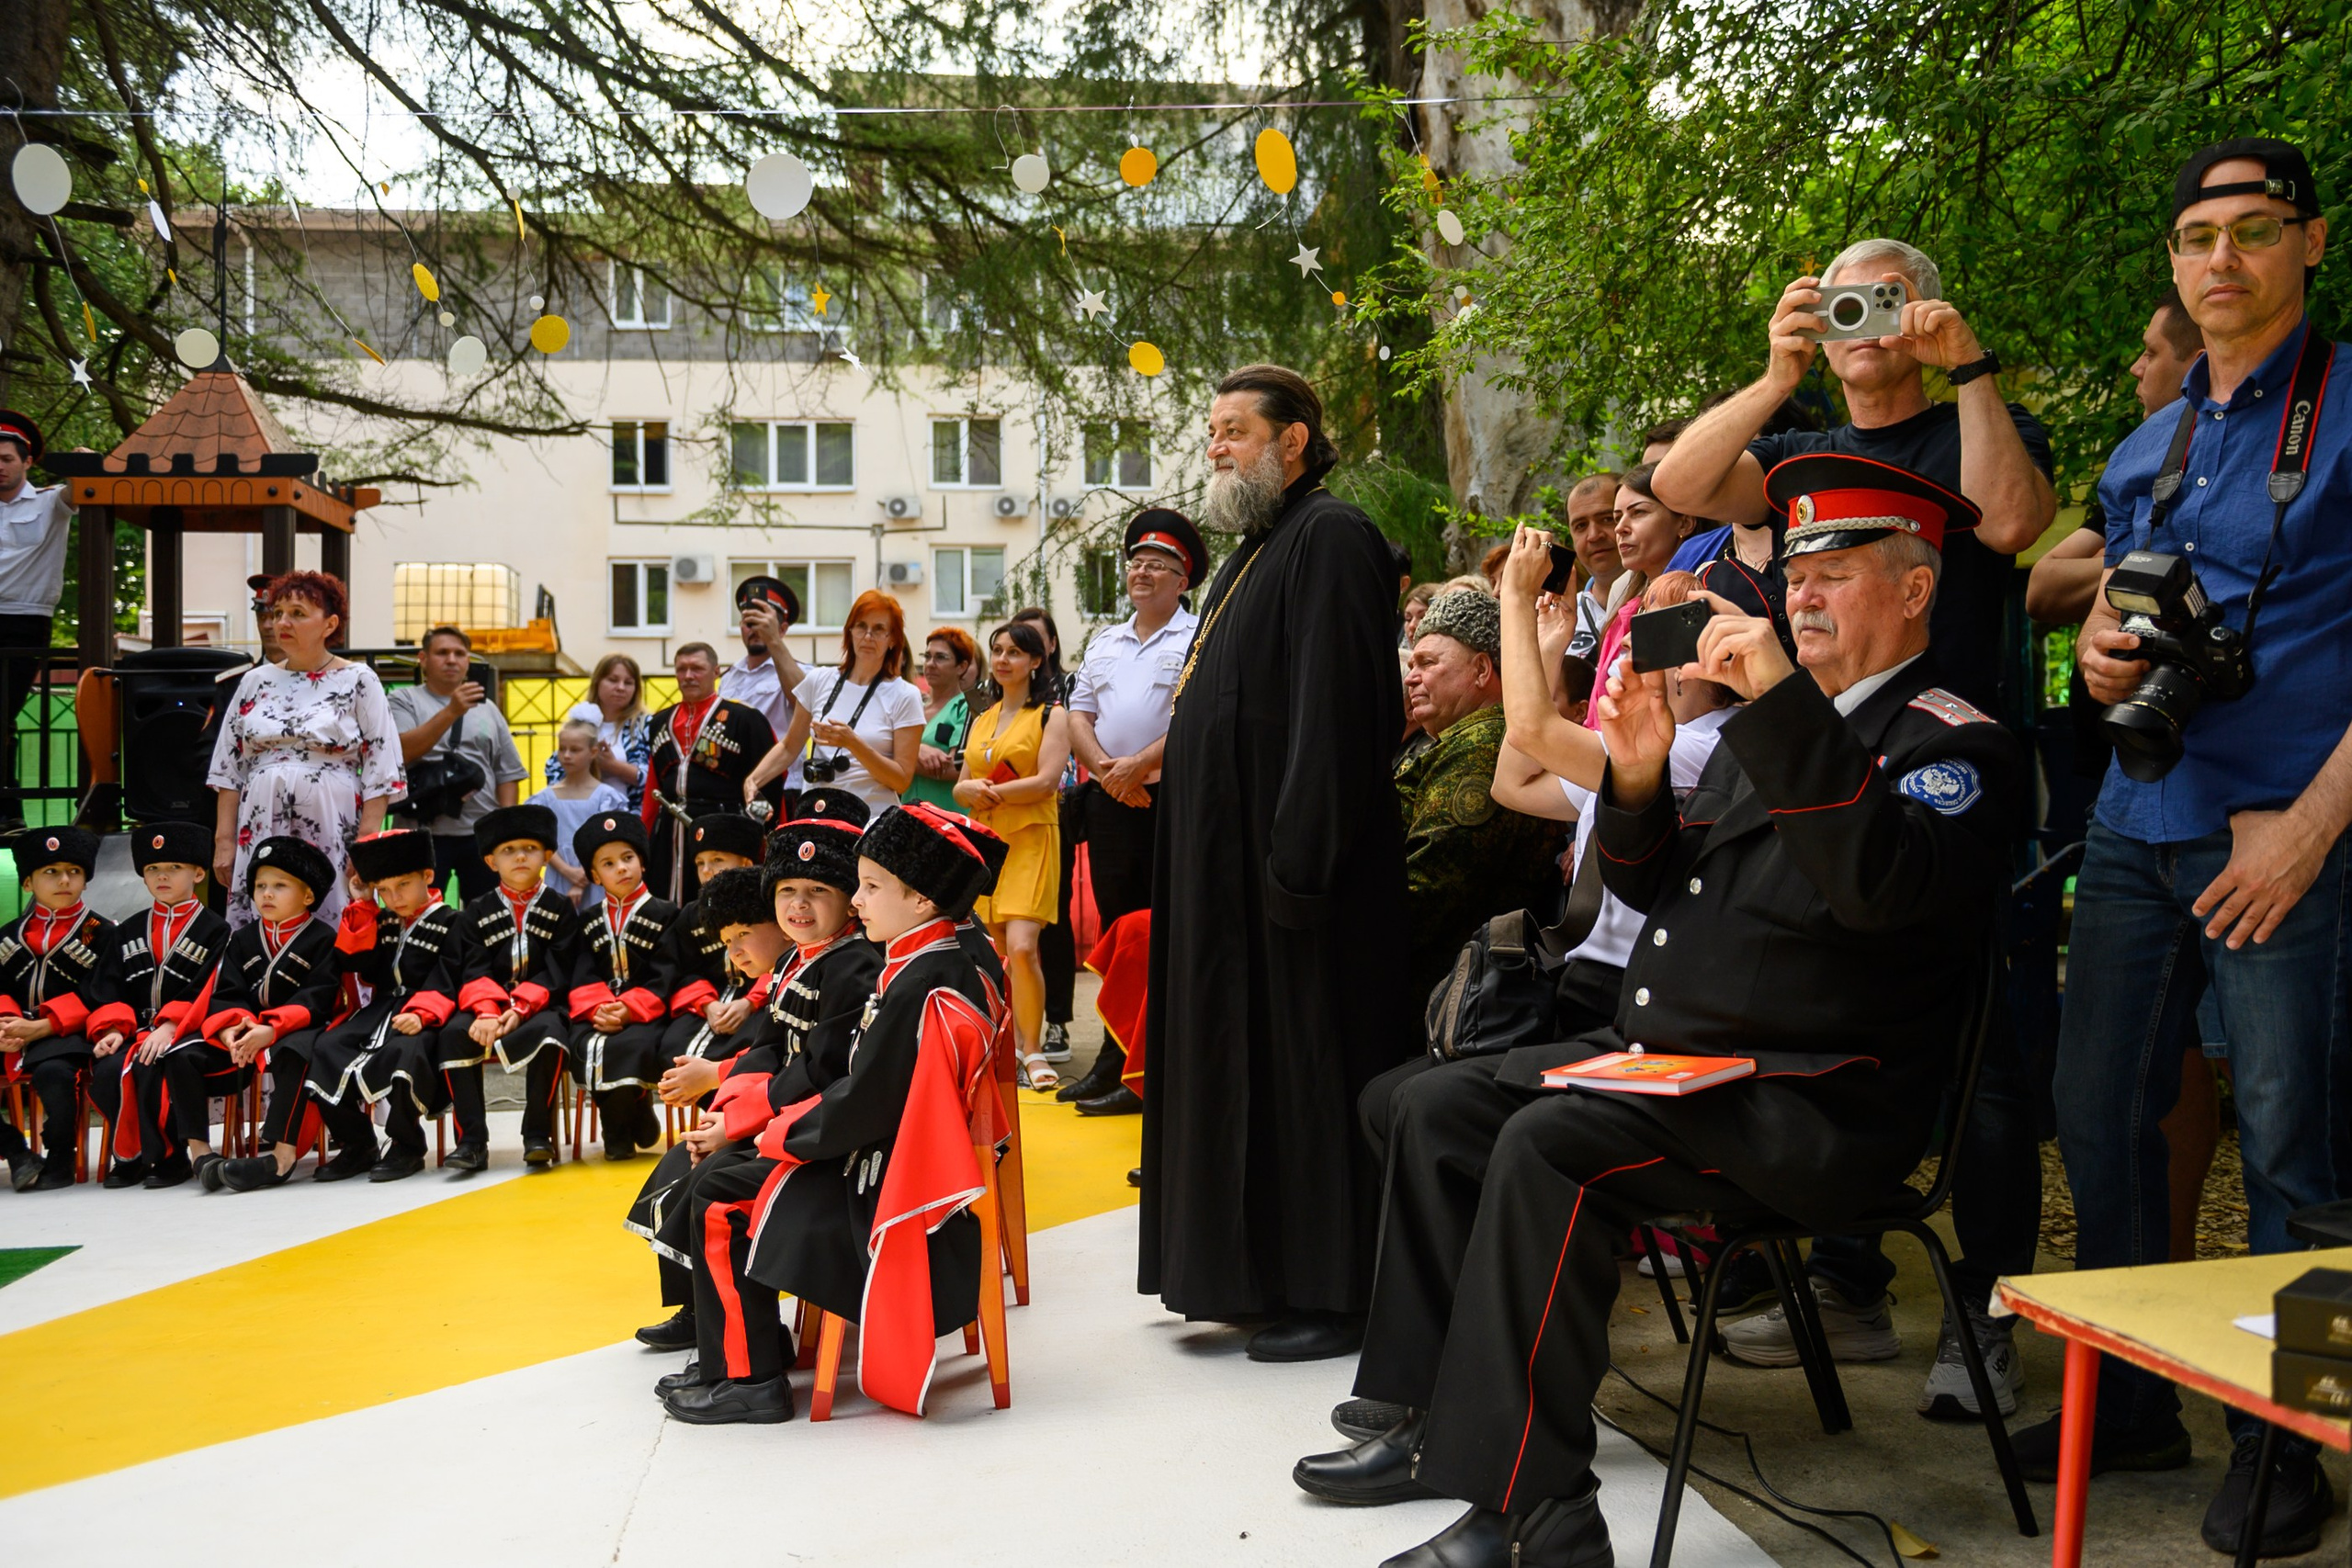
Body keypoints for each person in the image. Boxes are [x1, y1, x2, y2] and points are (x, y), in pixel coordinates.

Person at [1294, 454, 2024, 1568]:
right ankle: (1430, 1417)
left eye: (1835, 574)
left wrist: (1776, 703)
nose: (1803, 596)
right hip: (1681, 1066)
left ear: (1915, 591)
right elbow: (1654, 891)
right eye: (1800, 573)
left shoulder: (1953, 742)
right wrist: (1633, 786)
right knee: (1429, 1107)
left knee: (1549, 1147)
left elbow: (1878, 891)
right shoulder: (1762, 731)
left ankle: (1532, 1516)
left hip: (1811, 1100)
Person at [2041, 138, 2350, 1559]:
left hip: (2287, 832)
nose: (2221, 259)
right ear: (2173, 262)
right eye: (2197, 238)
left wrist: (2310, 827)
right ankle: (2141, 1393)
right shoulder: (2147, 441)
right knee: (2096, 1108)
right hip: (2136, 815)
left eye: (2252, 230)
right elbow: (2113, 608)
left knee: (2300, 1143)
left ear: (2310, 242)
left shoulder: (2348, 410)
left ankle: (2298, 1439)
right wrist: (2100, 658)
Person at [1142, 363, 1412, 1362]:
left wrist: (1298, 866)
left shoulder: (1331, 537)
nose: (1215, 445)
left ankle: (1333, 1293)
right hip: (1232, 883)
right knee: (1250, 1076)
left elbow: (1336, 720)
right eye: (1210, 431)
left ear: (1293, 440)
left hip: (1303, 884)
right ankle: (1254, 1272)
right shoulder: (1253, 551)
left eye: (1233, 429)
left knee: (1308, 1078)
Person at [1651, 236, 2057, 713]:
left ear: (1926, 312)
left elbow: (2012, 526)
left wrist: (1966, 364)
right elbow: (1673, 486)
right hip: (1819, 739)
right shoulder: (1795, 457)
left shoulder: (1987, 425)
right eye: (1846, 309)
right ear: (1822, 332)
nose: (1864, 326)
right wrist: (1777, 379)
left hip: (1946, 736)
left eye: (1884, 304)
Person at [724, 803, 997, 1422]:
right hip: (880, 1150)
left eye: (871, 886)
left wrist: (780, 1131)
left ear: (924, 900)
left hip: (882, 1183)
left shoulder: (923, 980)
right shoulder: (923, 961)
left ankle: (749, 1374)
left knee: (725, 1195)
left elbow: (867, 1102)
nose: (858, 899)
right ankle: (741, 1362)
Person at [628, 825, 881, 1404]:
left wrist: (740, 1126)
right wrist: (727, 1119)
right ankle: (744, 1347)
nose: (798, 904)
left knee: (718, 1199)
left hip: (830, 1144)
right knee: (704, 1173)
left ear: (850, 899)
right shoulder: (801, 958)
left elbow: (821, 1071)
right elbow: (769, 1048)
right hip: (795, 1123)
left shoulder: (852, 966)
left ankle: (749, 1379)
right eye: (787, 890)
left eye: (817, 891)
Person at [1056, 508, 1206, 1111]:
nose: (1142, 573)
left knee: (1161, 932)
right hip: (1114, 801)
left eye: (1158, 565)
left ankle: (1152, 1066)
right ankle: (1114, 1058)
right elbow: (1077, 713)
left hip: (1167, 797)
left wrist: (1137, 767)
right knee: (1119, 937)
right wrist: (1106, 770)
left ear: (1182, 579)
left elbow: (1195, 716)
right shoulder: (1105, 640)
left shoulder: (1198, 635)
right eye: (1136, 563)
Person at [1394, 589, 1566, 1001]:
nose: (1411, 676)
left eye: (1428, 663)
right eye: (1411, 664)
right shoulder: (1462, 740)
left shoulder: (1481, 746)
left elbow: (1425, 893)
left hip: (1446, 998)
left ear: (1482, 669)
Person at [208, 571, 404, 928]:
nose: (281, 622)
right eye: (277, 612)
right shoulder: (254, 681)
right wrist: (224, 841)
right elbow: (228, 768)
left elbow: (382, 766)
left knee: (334, 908)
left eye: (297, 613)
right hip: (261, 816)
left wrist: (366, 845)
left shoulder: (359, 679)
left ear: (329, 624)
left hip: (333, 818)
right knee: (262, 908)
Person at [415, 803, 580, 1173]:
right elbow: (471, 967)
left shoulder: (561, 909)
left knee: (552, 1035)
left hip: (541, 1007)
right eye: (508, 850)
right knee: (455, 1035)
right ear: (491, 863)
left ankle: (538, 1135)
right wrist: (488, 1011)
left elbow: (560, 970)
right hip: (484, 1007)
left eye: (530, 848)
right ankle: (472, 1141)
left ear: (547, 856)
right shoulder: (474, 911)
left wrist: (521, 1007)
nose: (520, 856)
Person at [953, 619, 1073, 1091]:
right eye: (997, 651)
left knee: (1023, 948)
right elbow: (962, 782)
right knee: (998, 953)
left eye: (1015, 652)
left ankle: (1036, 1049)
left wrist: (989, 792)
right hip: (988, 843)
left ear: (1037, 660)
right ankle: (1010, 1046)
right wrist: (969, 788)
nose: (1003, 659)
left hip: (1031, 838)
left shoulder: (1052, 715)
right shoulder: (983, 717)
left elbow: (1047, 782)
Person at [305, 828, 462, 1184]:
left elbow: (451, 977)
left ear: (427, 876)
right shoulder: (385, 919)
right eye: (384, 890)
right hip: (383, 1009)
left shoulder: (453, 921)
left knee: (407, 1052)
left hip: (430, 1012)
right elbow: (357, 965)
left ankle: (407, 1145)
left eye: (403, 885)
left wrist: (422, 1014)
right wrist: (362, 903)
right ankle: (358, 1144)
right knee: (327, 1047)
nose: (394, 898)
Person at [87, 822, 232, 1190]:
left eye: (174, 868)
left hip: (187, 1031)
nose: (162, 876)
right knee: (107, 1071)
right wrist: (111, 1031)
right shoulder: (128, 930)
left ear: (198, 873)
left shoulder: (217, 929)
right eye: (152, 869)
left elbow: (211, 988)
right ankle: (131, 1158)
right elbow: (108, 986)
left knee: (155, 1066)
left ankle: (169, 1158)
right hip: (133, 1030)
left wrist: (171, 1026)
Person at [204, 837, 345, 1193]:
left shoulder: (322, 937)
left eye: (280, 886)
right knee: (189, 1053)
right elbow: (228, 992)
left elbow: (320, 997)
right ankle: (191, 1153)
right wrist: (234, 1028)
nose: (267, 894)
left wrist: (271, 1028)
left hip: (306, 1027)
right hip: (250, 1029)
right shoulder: (243, 938)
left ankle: (282, 1157)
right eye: (261, 886)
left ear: (308, 897)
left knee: (293, 1051)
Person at [563, 811, 682, 1161]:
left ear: (642, 863)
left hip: (647, 1013)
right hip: (597, 1011)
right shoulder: (587, 920)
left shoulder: (666, 913)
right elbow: (582, 970)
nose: (622, 868)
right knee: (584, 1045)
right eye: (609, 863)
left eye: (628, 858)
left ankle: (622, 1125)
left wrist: (630, 1008)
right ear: (595, 875)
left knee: (632, 1044)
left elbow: (668, 970)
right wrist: (600, 1007)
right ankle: (626, 1119)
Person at [745, 592, 922, 820]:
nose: (868, 636)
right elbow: (790, 746)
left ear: (893, 640)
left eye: (879, 629)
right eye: (861, 626)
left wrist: (852, 743)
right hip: (818, 817)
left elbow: (901, 780)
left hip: (872, 824)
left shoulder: (906, 695)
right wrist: (753, 780)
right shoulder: (819, 680)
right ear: (850, 632)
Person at [0, 826, 109, 1191]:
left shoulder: (104, 933)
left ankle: (60, 1156)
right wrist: (5, 1025)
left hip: (66, 1035)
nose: (64, 880)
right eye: (51, 872)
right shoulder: (6, 935)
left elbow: (101, 992)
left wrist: (42, 1025)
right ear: (28, 883)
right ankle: (15, 1150)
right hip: (10, 1033)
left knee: (54, 1073)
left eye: (74, 872)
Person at [389, 626, 527, 905]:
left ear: (467, 661)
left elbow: (507, 773)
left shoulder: (488, 708)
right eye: (442, 653)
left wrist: (504, 830)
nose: (451, 659)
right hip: (420, 834)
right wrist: (452, 711)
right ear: (423, 659)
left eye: (459, 654)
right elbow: (402, 751)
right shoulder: (403, 699)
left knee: (488, 917)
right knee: (419, 916)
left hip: (480, 835)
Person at [644, 643, 777, 903]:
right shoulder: (660, 722)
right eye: (681, 669)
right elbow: (653, 785)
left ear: (716, 671)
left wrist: (756, 835)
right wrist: (646, 837)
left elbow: (769, 782)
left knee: (719, 902)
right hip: (668, 836)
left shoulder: (745, 719)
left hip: (723, 827)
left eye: (697, 668)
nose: (688, 675)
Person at [0, 411, 77, 829]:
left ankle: (9, 811)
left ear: (27, 462)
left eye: (7, 458)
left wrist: (84, 463)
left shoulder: (51, 502)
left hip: (23, 620)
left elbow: (82, 493)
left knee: (2, 712)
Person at [1581, 464, 1698, 719]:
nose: (1620, 528)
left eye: (1638, 513)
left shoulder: (1694, 602)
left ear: (1685, 522)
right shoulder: (1627, 606)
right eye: (1617, 517)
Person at [655, 812, 766, 1071]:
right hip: (712, 1002)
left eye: (717, 860)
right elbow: (682, 968)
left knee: (750, 1048)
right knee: (671, 1047)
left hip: (759, 1000)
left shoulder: (769, 907)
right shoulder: (690, 915)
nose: (706, 870)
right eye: (700, 862)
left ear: (747, 864)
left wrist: (749, 1002)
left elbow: (783, 960)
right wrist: (708, 1005)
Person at [718, 577, 808, 791]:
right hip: (733, 785)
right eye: (750, 624)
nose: (755, 630)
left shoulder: (802, 672)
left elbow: (805, 703)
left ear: (782, 629)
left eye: (763, 624)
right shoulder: (729, 677)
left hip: (781, 784)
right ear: (741, 627)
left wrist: (773, 640)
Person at [532, 718, 630, 908]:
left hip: (597, 879)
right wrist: (568, 871)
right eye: (562, 749)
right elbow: (541, 841)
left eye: (575, 750)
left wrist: (583, 877)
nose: (567, 755)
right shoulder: (543, 799)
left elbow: (608, 843)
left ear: (593, 752)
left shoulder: (607, 798)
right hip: (559, 878)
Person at [545, 653, 651, 809]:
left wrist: (613, 766)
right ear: (597, 683)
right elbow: (554, 775)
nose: (620, 687)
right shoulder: (580, 722)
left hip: (633, 820)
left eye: (628, 682)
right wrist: (586, 761)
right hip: (583, 816)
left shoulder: (645, 726)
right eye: (613, 680)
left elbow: (657, 782)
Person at [902, 628, 979, 810]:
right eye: (927, 656)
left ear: (962, 667)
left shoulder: (967, 709)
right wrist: (918, 750)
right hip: (909, 816)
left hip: (948, 820)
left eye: (941, 657)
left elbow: (956, 768)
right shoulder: (913, 705)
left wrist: (904, 758)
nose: (930, 664)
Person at [1559, 475, 1622, 660]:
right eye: (1581, 526)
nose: (1594, 535)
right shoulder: (1559, 619)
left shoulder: (1661, 601)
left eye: (1607, 519)